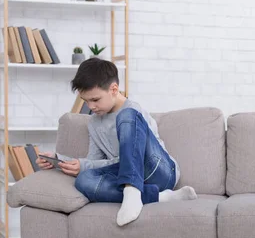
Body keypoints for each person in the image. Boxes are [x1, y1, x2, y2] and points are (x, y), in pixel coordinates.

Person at [36, 58, 197, 226]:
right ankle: (159, 197)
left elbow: (139, 155)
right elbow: (95, 162)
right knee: (84, 180)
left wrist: (87, 165)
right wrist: (61, 159)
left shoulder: (133, 110)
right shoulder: (94, 123)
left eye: (95, 100)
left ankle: (132, 191)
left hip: (158, 170)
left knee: (127, 115)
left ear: (114, 89)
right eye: (86, 101)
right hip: (130, 177)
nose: (91, 106)